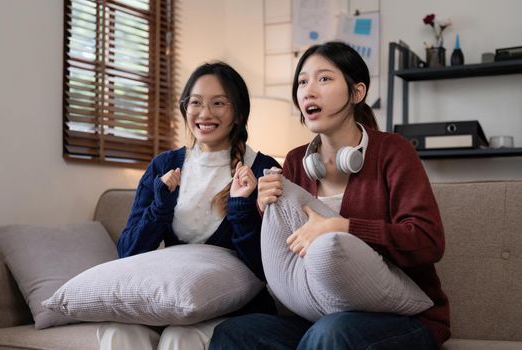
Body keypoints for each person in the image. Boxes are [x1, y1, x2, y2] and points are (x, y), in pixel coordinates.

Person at [209, 41, 450, 349]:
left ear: (357, 92)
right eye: (302, 82)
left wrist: (344, 227)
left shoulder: (393, 152)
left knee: (331, 333)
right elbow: (279, 261)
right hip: (318, 314)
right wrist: (258, 209)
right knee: (234, 332)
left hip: (403, 320)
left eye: (324, 78)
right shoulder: (296, 161)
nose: (309, 91)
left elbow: (428, 242)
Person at [97, 61, 279, 350]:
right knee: (119, 332)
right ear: (185, 109)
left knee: (180, 338)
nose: (205, 113)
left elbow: (266, 265)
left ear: (239, 113)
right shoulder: (164, 166)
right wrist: (161, 207)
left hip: (235, 307)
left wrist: (241, 207)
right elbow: (128, 252)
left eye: (218, 103)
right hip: (173, 300)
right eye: (196, 103)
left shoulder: (262, 169)